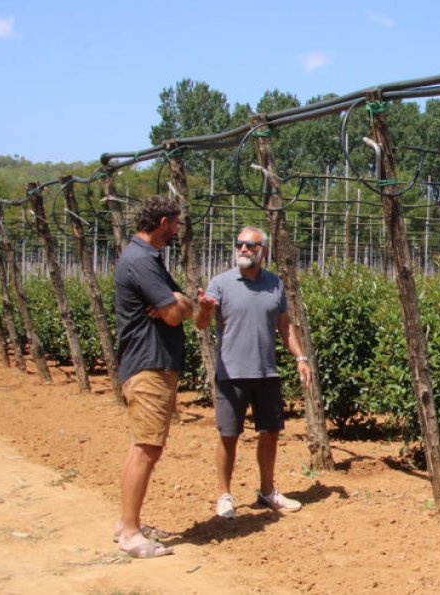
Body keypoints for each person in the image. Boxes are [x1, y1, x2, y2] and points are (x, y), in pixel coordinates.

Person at [195, 226, 312, 520]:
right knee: (229, 435)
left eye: (250, 245)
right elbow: (201, 324)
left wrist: (301, 357)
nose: (243, 250)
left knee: (270, 433)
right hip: (231, 373)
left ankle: (267, 491)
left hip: (266, 372)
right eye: (240, 245)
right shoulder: (220, 283)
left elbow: (284, 326)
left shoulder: (275, 284)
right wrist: (204, 310)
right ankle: (224, 496)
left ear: (264, 251)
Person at [113, 195, 204, 558]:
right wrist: (179, 302)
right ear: (164, 222)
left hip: (150, 362)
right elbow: (173, 313)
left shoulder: (144, 257)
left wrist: (178, 301)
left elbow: (178, 304)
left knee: (142, 445)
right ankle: (131, 533)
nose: (178, 229)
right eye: (177, 223)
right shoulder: (141, 260)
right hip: (148, 364)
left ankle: (126, 522)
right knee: (147, 448)